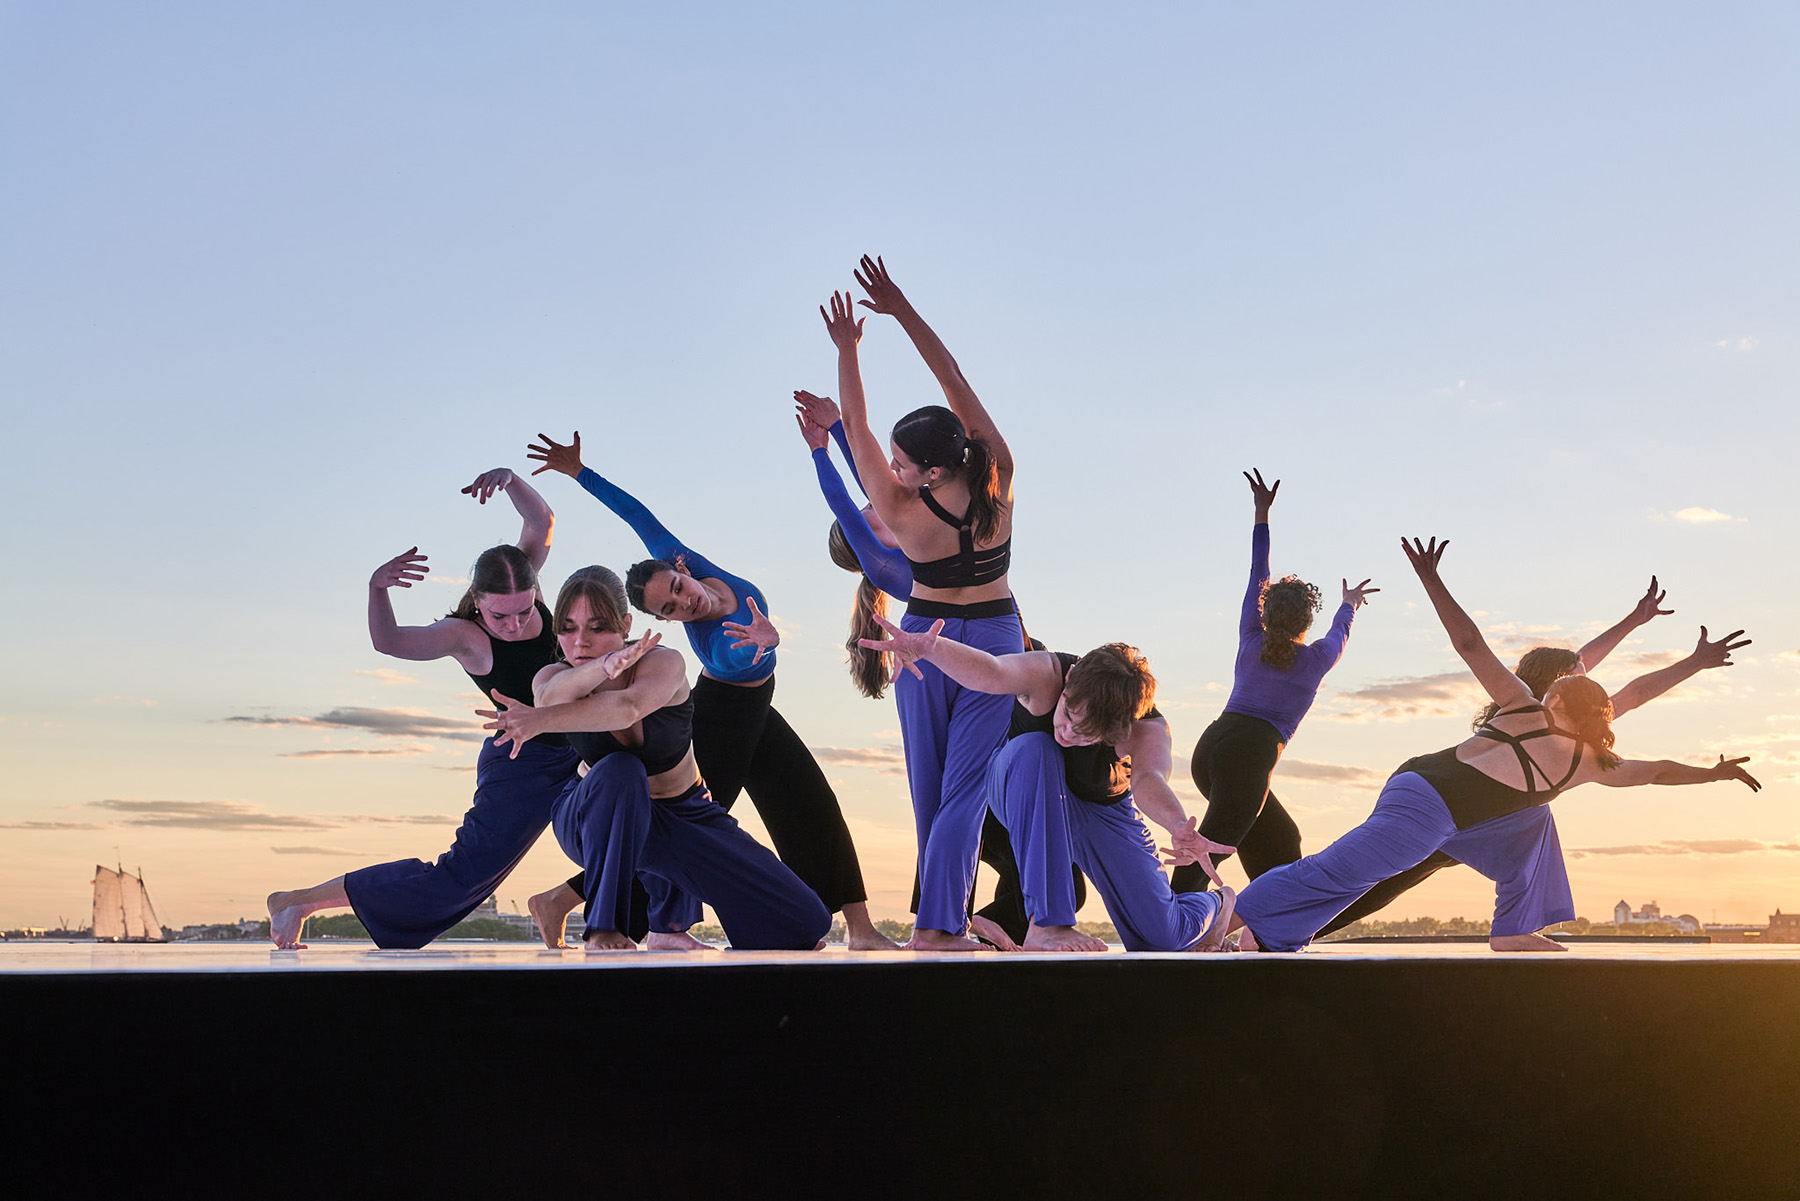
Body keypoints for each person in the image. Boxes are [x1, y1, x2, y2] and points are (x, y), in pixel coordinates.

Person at [1219, 538, 1761, 954]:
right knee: (1359, 876)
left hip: (1475, 815)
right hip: (1430, 800)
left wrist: (1681, 665)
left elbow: (1644, 728)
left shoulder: (1578, 739)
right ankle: (1228, 920)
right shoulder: (1529, 709)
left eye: (1570, 681)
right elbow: (1471, 643)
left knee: (1535, 820)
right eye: (1568, 675)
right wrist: (1431, 580)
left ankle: (1514, 927)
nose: (1576, 674)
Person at [518, 431, 899, 951]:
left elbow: (636, 514)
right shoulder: (715, 647)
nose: (686, 604)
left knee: (808, 799)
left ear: (681, 570)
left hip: (756, 706)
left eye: (679, 590)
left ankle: (858, 927)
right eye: (670, 611)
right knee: (672, 812)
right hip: (722, 709)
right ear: (654, 622)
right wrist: (765, 646)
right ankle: (614, 915)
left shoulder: (689, 564)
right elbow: (739, 661)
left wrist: (581, 473)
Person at [793, 389, 1077, 951]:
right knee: (955, 799)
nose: (883, 498)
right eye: (872, 515)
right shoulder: (899, 563)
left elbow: (885, 479)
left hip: (986, 660)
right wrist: (827, 446)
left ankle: (947, 919)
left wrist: (843, 436)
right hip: (975, 660)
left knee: (951, 799)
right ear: (868, 537)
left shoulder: (913, 520)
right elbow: (867, 494)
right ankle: (945, 922)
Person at [1316, 584, 1751, 939]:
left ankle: (1282, 919)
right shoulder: (1545, 717)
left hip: (1464, 811)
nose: (1589, 678)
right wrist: (1691, 663)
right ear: (1555, 687)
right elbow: (1633, 697)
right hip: (1460, 816)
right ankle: (1278, 923)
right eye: (1577, 675)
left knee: (1375, 879)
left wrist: (1637, 621)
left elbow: (1595, 667)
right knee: (1373, 882)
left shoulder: (1553, 710)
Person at [267, 469, 581, 950]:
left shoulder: (525, 580)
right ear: (477, 600)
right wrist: (377, 589)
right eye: (500, 615)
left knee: (659, 811)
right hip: (524, 761)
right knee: (454, 884)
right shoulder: (464, 636)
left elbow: (541, 520)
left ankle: (573, 903)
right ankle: (300, 899)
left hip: (584, 739)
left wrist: (510, 479)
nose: (516, 624)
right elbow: (388, 642)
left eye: (525, 610)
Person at [821, 255, 1022, 951]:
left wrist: (849, 349)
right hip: (996, 636)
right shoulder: (997, 470)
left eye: (904, 462)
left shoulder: (902, 508)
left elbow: (853, 420)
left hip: (923, 641)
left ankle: (938, 926)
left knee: (931, 786)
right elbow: (954, 380)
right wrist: (902, 308)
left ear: (931, 470)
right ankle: (942, 925)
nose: (896, 469)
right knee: (966, 787)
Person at [481, 566, 830, 952]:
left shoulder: (664, 663)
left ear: (625, 624)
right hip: (588, 819)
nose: (580, 642)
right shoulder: (551, 676)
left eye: (597, 628)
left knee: (807, 923)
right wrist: (599, 667)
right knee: (620, 769)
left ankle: (664, 929)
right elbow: (549, 698)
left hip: (684, 816)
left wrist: (542, 718)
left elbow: (628, 707)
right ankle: (604, 929)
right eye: (568, 628)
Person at [860, 619, 1238, 952]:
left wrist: (1176, 826)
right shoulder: (1049, 673)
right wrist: (932, 647)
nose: (1068, 732)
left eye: (1087, 733)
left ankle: (1217, 904)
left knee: (1160, 938)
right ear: (1070, 682)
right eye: (1070, 713)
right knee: (1036, 748)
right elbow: (991, 670)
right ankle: (1048, 925)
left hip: (1101, 809)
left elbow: (1148, 780)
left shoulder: (1147, 728)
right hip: (1020, 784)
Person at [1167, 469, 1374, 895]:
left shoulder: (1250, 637)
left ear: (1265, 611)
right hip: (1248, 757)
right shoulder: (1316, 659)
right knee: (1209, 853)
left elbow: (1256, 571)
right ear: (1306, 621)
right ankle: (1166, 936)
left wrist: (1261, 514)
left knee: (1281, 841)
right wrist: (1350, 602)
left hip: (1212, 747)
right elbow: (1341, 630)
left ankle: (1266, 928)